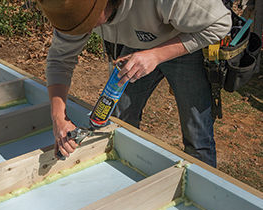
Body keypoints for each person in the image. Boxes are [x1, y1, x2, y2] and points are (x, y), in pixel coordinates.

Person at [37, 0, 232, 167]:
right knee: (119, 122)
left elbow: (220, 24)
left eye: (86, 24)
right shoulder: (71, 7)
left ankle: (207, 189)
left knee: (197, 135)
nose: (83, 32)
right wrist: (58, 118)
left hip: (185, 41)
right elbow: (60, 60)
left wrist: (156, 55)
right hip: (135, 45)